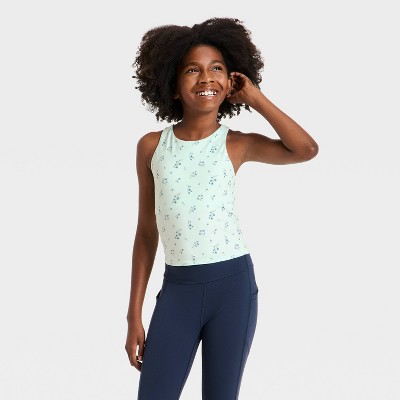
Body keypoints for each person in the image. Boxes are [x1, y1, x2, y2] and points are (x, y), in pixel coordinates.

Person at [125, 17, 319, 400]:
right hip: (178, 291)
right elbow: (146, 233)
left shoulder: (237, 144)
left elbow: (305, 149)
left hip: (233, 289)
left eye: (216, 68)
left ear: (231, 81)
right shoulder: (152, 146)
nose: (206, 78)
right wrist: (134, 314)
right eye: (192, 70)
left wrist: (256, 98)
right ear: (172, 83)